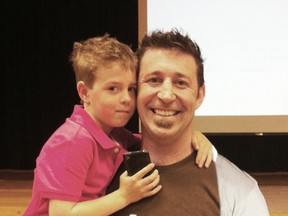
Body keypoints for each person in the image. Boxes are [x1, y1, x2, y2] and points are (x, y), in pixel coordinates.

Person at [24, 34, 215, 216]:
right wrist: (124, 196)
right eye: (113, 88)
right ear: (84, 92)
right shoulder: (70, 142)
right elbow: (61, 214)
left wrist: (193, 136)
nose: (126, 99)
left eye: (131, 89)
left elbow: (153, 140)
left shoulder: (115, 134)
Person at [107, 29, 269, 215]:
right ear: (136, 90)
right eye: (154, 80)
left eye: (181, 83)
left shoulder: (239, 191)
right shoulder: (98, 171)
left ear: (199, 95)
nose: (166, 95)